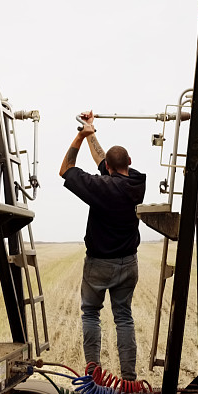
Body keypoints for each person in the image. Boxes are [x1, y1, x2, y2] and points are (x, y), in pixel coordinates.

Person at [59, 110, 147, 380]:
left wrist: (79, 136)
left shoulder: (100, 187)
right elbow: (104, 161)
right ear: (129, 162)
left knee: (90, 314)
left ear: (107, 167)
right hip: (128, 262)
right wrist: (91, 130)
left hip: (99, 264)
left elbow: (65, 169)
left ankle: (94, 376)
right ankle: (129, 379)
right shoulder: (137, 182)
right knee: (124, 317)